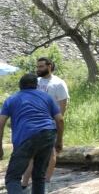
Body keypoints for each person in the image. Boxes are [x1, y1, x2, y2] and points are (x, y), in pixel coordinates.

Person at [0, 73, 64, 194]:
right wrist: (59, 141)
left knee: (12, 178)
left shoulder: (11, 99)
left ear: (20, 85)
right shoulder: (46, 97)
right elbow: (60, 120)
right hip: (47, 134)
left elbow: (0, 123)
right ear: (36, 85)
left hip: (26, 137)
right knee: (39, 176)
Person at [21, 58, 69, 189]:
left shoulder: (58, 83)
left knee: (51, 152)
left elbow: (63, 104)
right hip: (33, 122)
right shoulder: (36, 82)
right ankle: (24, 183)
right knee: (31, 153)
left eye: (41, 67)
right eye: (37, 67)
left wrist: (57, 122)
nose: (38, 69)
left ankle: (46, 181)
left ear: (49, 66)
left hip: (50, 123)